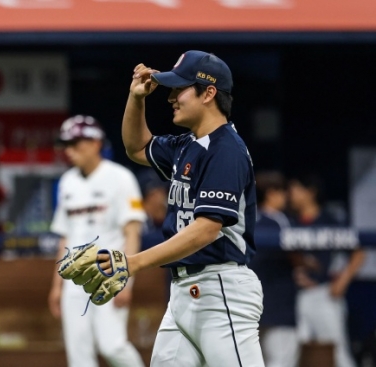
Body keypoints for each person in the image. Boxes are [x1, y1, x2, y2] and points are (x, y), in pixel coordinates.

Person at [98, 50, 264, 366]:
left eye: (180, 88)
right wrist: (136, 99)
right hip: (182, 292)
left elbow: (206, 228)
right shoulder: (187, 144)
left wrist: (133, 262)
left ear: (209, 93)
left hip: (221, 290)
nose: (172, 97)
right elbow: (136, 147)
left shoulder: (225, 150)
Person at [47, 115, 146, 367]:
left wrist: (127, 280)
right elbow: (65, 237)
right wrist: (57, 286)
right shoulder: (67, 182)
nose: (69, 150)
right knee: (78, 354)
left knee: (112, 346)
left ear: (95, 143)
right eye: (66, 144)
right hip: (73, 278)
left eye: (76, 143)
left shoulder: (121, 177)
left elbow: (132, 233)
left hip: (109, 274)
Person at [288, 174, 365, 367]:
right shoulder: (289, 221)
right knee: (292, 354)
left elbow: (359, 252)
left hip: (323, 294)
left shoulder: (329, 220)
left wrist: (342, 281)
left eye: (296, 189)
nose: (292, 194)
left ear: (310, 192)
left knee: (338, 352)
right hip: (292, 296)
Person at [249, 171, 299, 367]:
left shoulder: (247, 220)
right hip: (278, 304)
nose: (285, 197)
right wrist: (307, 266)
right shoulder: (280, 220)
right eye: (282, 192)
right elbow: (296, 255)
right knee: (280, 360)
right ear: (271, 193)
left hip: (251, 304)